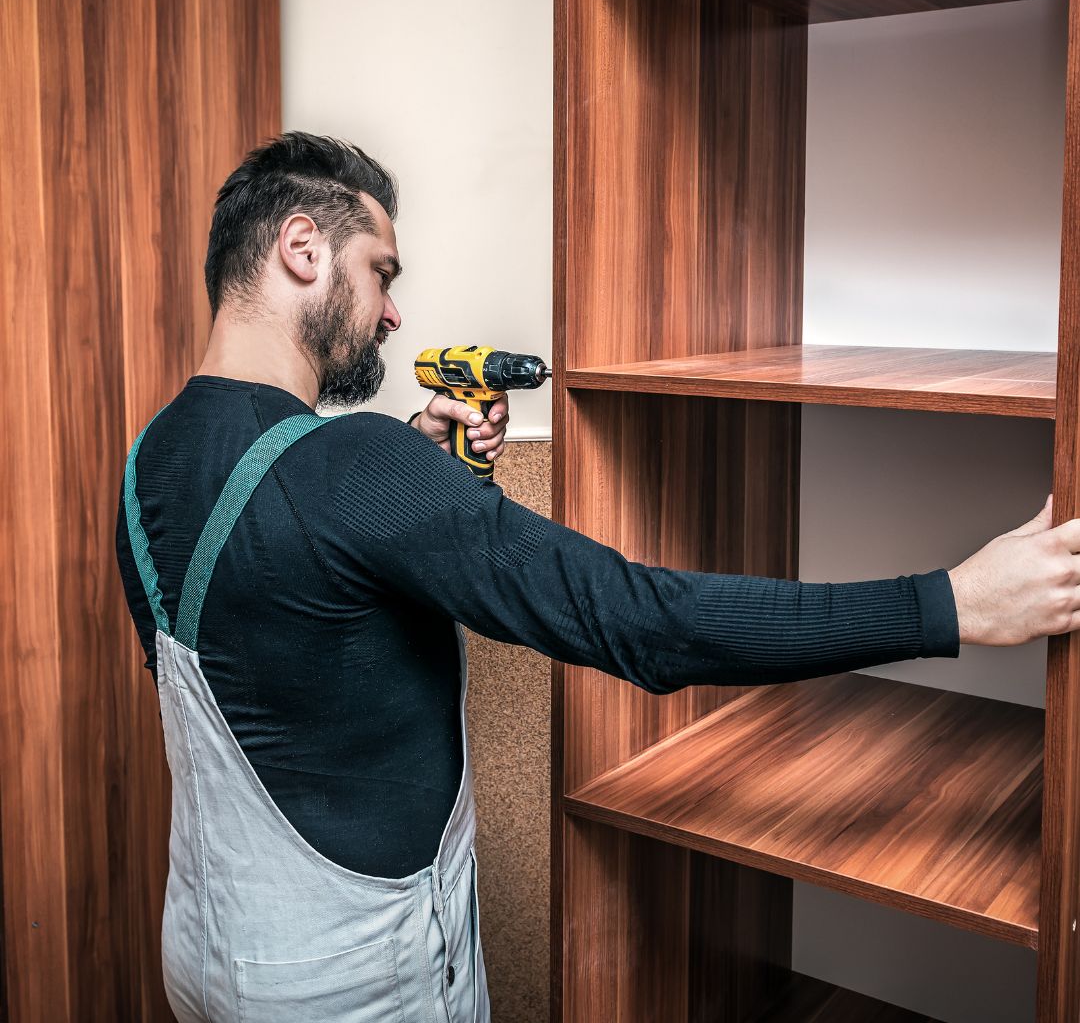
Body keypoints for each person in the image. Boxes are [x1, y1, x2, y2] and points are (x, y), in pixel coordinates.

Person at [116, 132, 1080, 1023]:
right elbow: (640, 623)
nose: (393, 311)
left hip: (211, 955)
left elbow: (274, 628)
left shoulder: (150, 460)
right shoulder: (350, 469)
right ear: (301, 247)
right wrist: (950, 603)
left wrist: (411, 472)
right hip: (353, 981)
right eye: (381, 273)